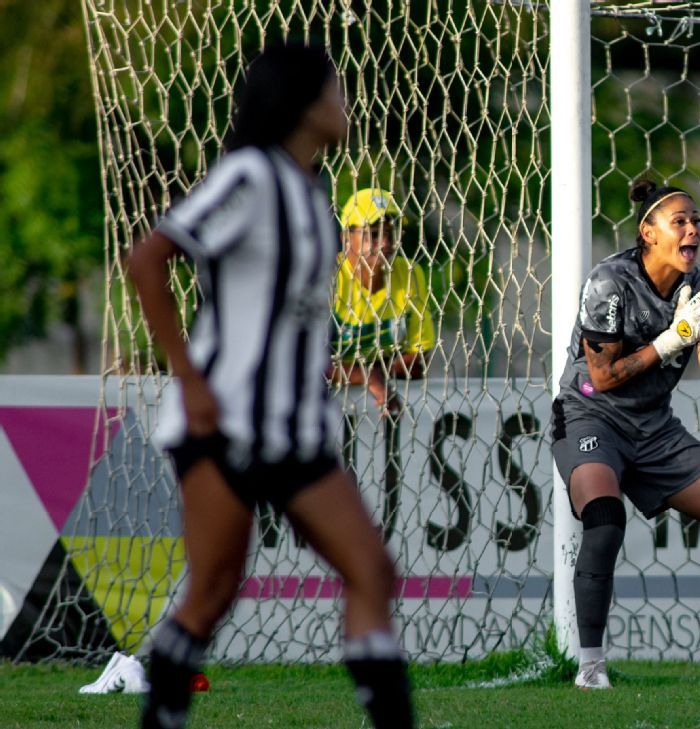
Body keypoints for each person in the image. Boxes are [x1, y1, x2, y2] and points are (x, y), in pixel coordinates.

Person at [127, 43, 414, 729]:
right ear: (307, 103)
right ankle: (161, 708)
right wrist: (189, 379)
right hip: (222, 420)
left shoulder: (313, 199)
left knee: (372, 570)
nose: (346, 105)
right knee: (212, 592)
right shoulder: (250, 176)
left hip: (297, 429)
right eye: (338, 92)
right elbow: (147, 258)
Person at [551, 178, 700, 689]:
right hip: (591, 417)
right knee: (605, 517)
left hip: (654, 428)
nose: (693, 229)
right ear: (648, 232)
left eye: (696, 220)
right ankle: (591, 668)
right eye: (679, 221)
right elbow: (601, 377)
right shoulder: (608, 283)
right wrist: (673, 338)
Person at [330, 187, 436, 412]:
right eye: (373, 234)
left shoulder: (409, 274)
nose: (386, 243)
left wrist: (369, 373)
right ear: (346, 238)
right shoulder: (330, 279)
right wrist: (369, 375)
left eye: (391, 233)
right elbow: (309, 364)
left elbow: (419, 360)